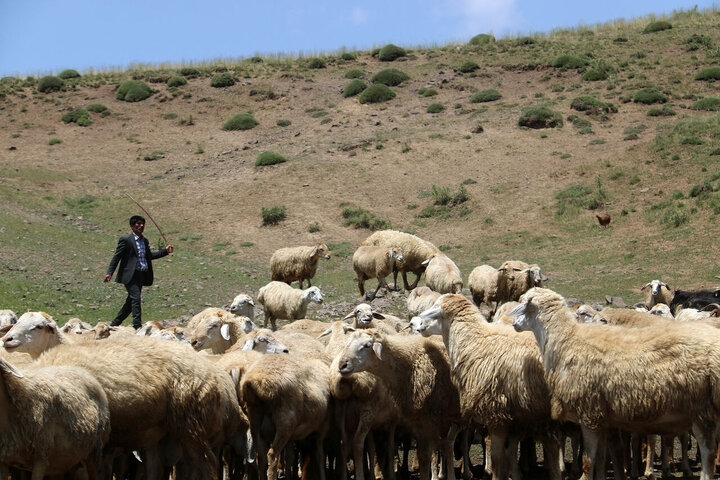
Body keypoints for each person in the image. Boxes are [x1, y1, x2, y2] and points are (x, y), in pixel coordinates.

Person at [104, 215, 173, 329]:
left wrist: (165, 251)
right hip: (130, 275)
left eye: (142, 224)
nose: (141, 226)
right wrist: (109, 272)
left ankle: (115, 323)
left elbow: (149, 256)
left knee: (130, 302)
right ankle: (137, 327)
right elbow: (117, 257)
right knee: (136, 299)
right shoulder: (126, 240)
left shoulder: (145, 241)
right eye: (138, 224)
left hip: (141, 275)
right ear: (132, 226)